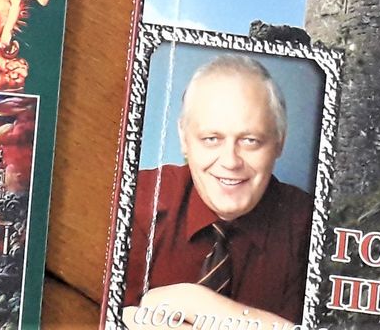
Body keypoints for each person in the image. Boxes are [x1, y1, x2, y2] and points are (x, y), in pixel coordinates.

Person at [122, 54, 313, 328]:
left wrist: (193, 302)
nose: (230, 162)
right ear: (184, 138)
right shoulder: (136, 198)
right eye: (211, 139)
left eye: (250, 140)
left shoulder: (310, 226)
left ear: (279, 142)